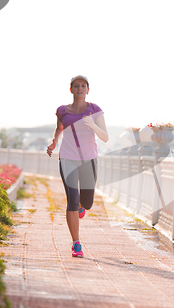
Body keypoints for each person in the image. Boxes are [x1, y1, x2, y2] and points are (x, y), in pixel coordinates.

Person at [47, 75, 108, 257]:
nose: (80, 89)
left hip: (89, 159)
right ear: (71, 89)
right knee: (72, 200)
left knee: (86, 202)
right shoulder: (62, 111)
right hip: (67, 158)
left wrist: (92, 125)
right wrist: (54, 143)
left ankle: (82, 206)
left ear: (88, 90)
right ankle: (76, 243)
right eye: (76, 86)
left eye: (83, 86)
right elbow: (59, 128)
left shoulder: (95, 110)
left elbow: (105, 137)